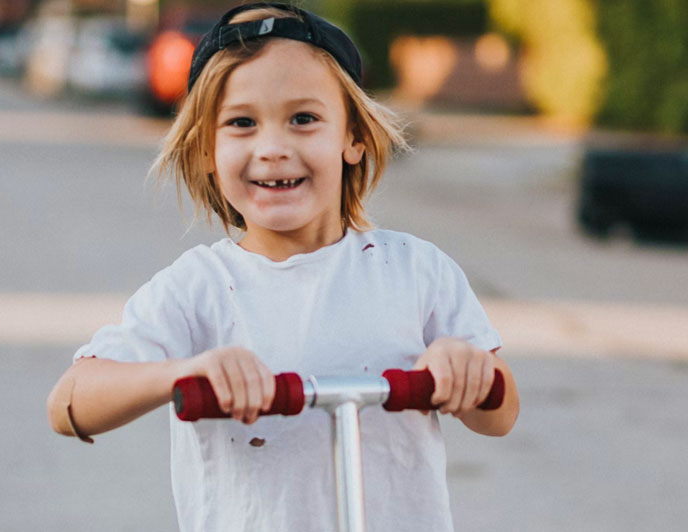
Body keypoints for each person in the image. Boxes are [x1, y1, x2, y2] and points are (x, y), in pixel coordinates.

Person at [47, 3, 519, 531]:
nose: (273, 148)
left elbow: (499, 416)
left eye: (303, 119)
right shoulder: (197, 289)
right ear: (206, 149)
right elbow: (69, 405)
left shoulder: (416, 272)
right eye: (242, 123)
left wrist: (468, 367)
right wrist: (181, 372)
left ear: (353, 138)